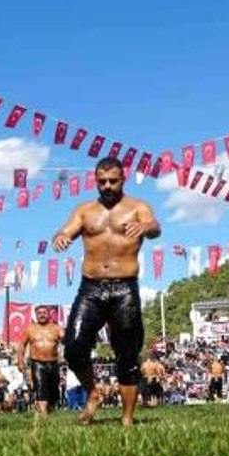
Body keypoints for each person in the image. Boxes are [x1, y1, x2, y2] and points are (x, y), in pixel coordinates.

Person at [53, 157, 161, 426]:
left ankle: (127, 419)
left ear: (123, 179)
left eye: (113, 181)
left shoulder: (138, 207)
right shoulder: (85, 210)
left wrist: (144, 227)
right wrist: (60, 237)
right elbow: (65, 230)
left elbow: (155, 227)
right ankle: (93, 393)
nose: (108, 186)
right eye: (102, 181)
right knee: (74, 347)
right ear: (95, 181)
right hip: (91, 287)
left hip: (124, 287)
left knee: (127, 354)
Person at [16, 305, 64, 417]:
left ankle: (48, 409)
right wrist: (20, 361)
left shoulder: (56, 328)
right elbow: (22, 345)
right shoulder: (30, 329)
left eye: (44, 312)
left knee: (54, 391)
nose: (42, 314)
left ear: (49, 314)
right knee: (41, 387)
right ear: (36, 315)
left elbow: (65, 340)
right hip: (37, 363)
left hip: (53, 363)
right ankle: (44, 416)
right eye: (39, 313)